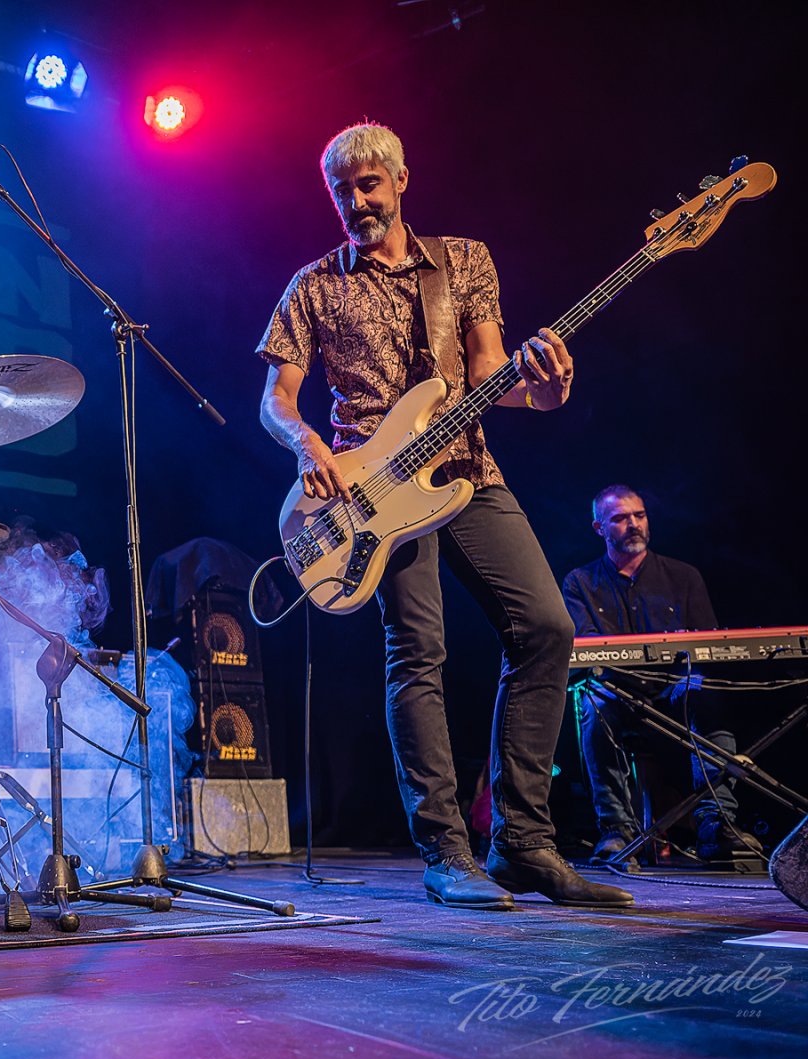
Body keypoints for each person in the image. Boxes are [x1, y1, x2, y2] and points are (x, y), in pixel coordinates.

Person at [257, 122, 632, 909]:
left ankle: (522, 844)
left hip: (468, 469)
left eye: (369, 185)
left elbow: (493, 373)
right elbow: (276, 398)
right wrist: (305, 443)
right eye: (342, 191)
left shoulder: (463, 260)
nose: (357, 202)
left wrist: (546, 392)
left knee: (546, 629)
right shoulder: (313, 284)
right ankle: (445, 853)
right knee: (417, 651)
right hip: (371, 492)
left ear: (400, 181)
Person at [563, 484, 762, 866]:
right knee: (592, 700)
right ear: (599, 528)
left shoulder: (684, 576)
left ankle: (717, 825)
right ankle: (616, 830)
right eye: (620, 518)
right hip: (619, 694)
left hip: (675, 694)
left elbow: (707, 646)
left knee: (707, 692)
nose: (633, 524)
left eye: (639, 515)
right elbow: (588, 651)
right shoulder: (580, 582)